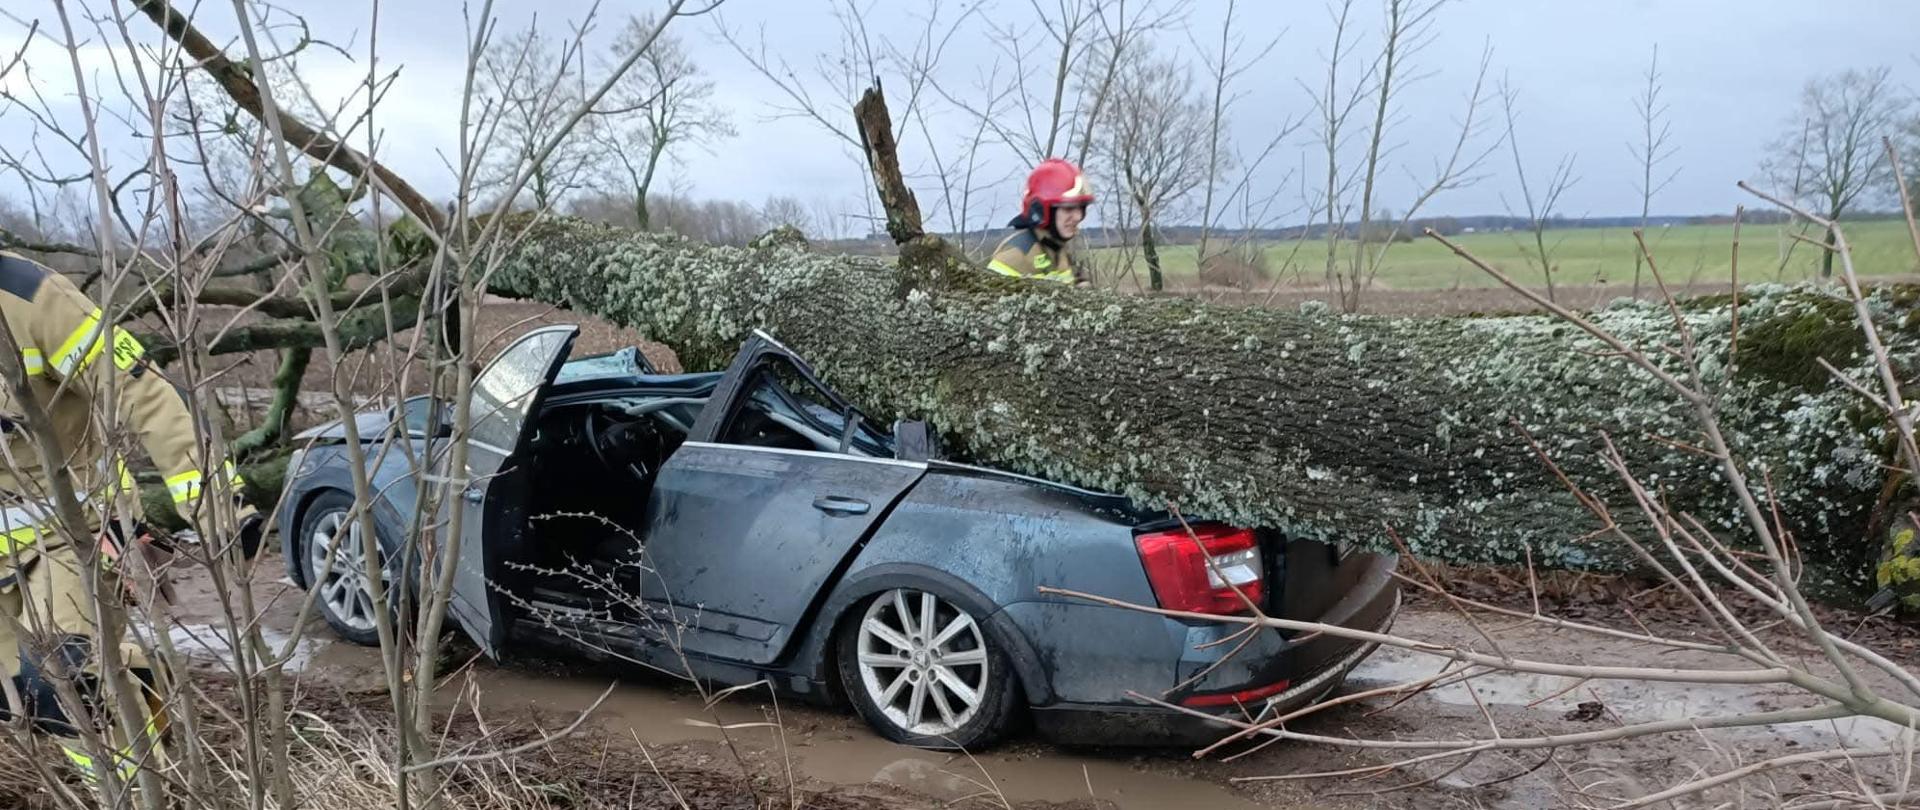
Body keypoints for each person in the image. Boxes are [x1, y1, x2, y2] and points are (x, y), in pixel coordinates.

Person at [0, 250, 261, 786]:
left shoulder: (29, 297)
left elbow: (142, 391)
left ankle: (143, 792)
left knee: (68, 682)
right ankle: (129, 716)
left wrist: (217, 506)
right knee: (23, 695)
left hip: (71, 535)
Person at [988, 158, 1095, 286]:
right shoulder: (1014, 256)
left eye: (1081, 207)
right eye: (1069, 208)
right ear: (1041, 210)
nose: (1078, 216)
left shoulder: (1057, 248)